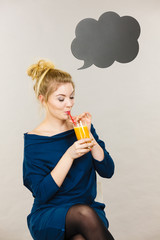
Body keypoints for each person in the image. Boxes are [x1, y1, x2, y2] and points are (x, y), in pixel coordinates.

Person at [23, 59, 115, 240]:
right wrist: (69, 155)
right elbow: (42, 194)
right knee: (84, 214)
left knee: (81, 234)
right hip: (50, 214)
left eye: (72, 97)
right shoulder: (34, 141)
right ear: (43, 100)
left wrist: (90, 138)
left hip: (88, 209)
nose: (69, 104)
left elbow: (108, 171)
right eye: (61, 99)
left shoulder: (81, 128)